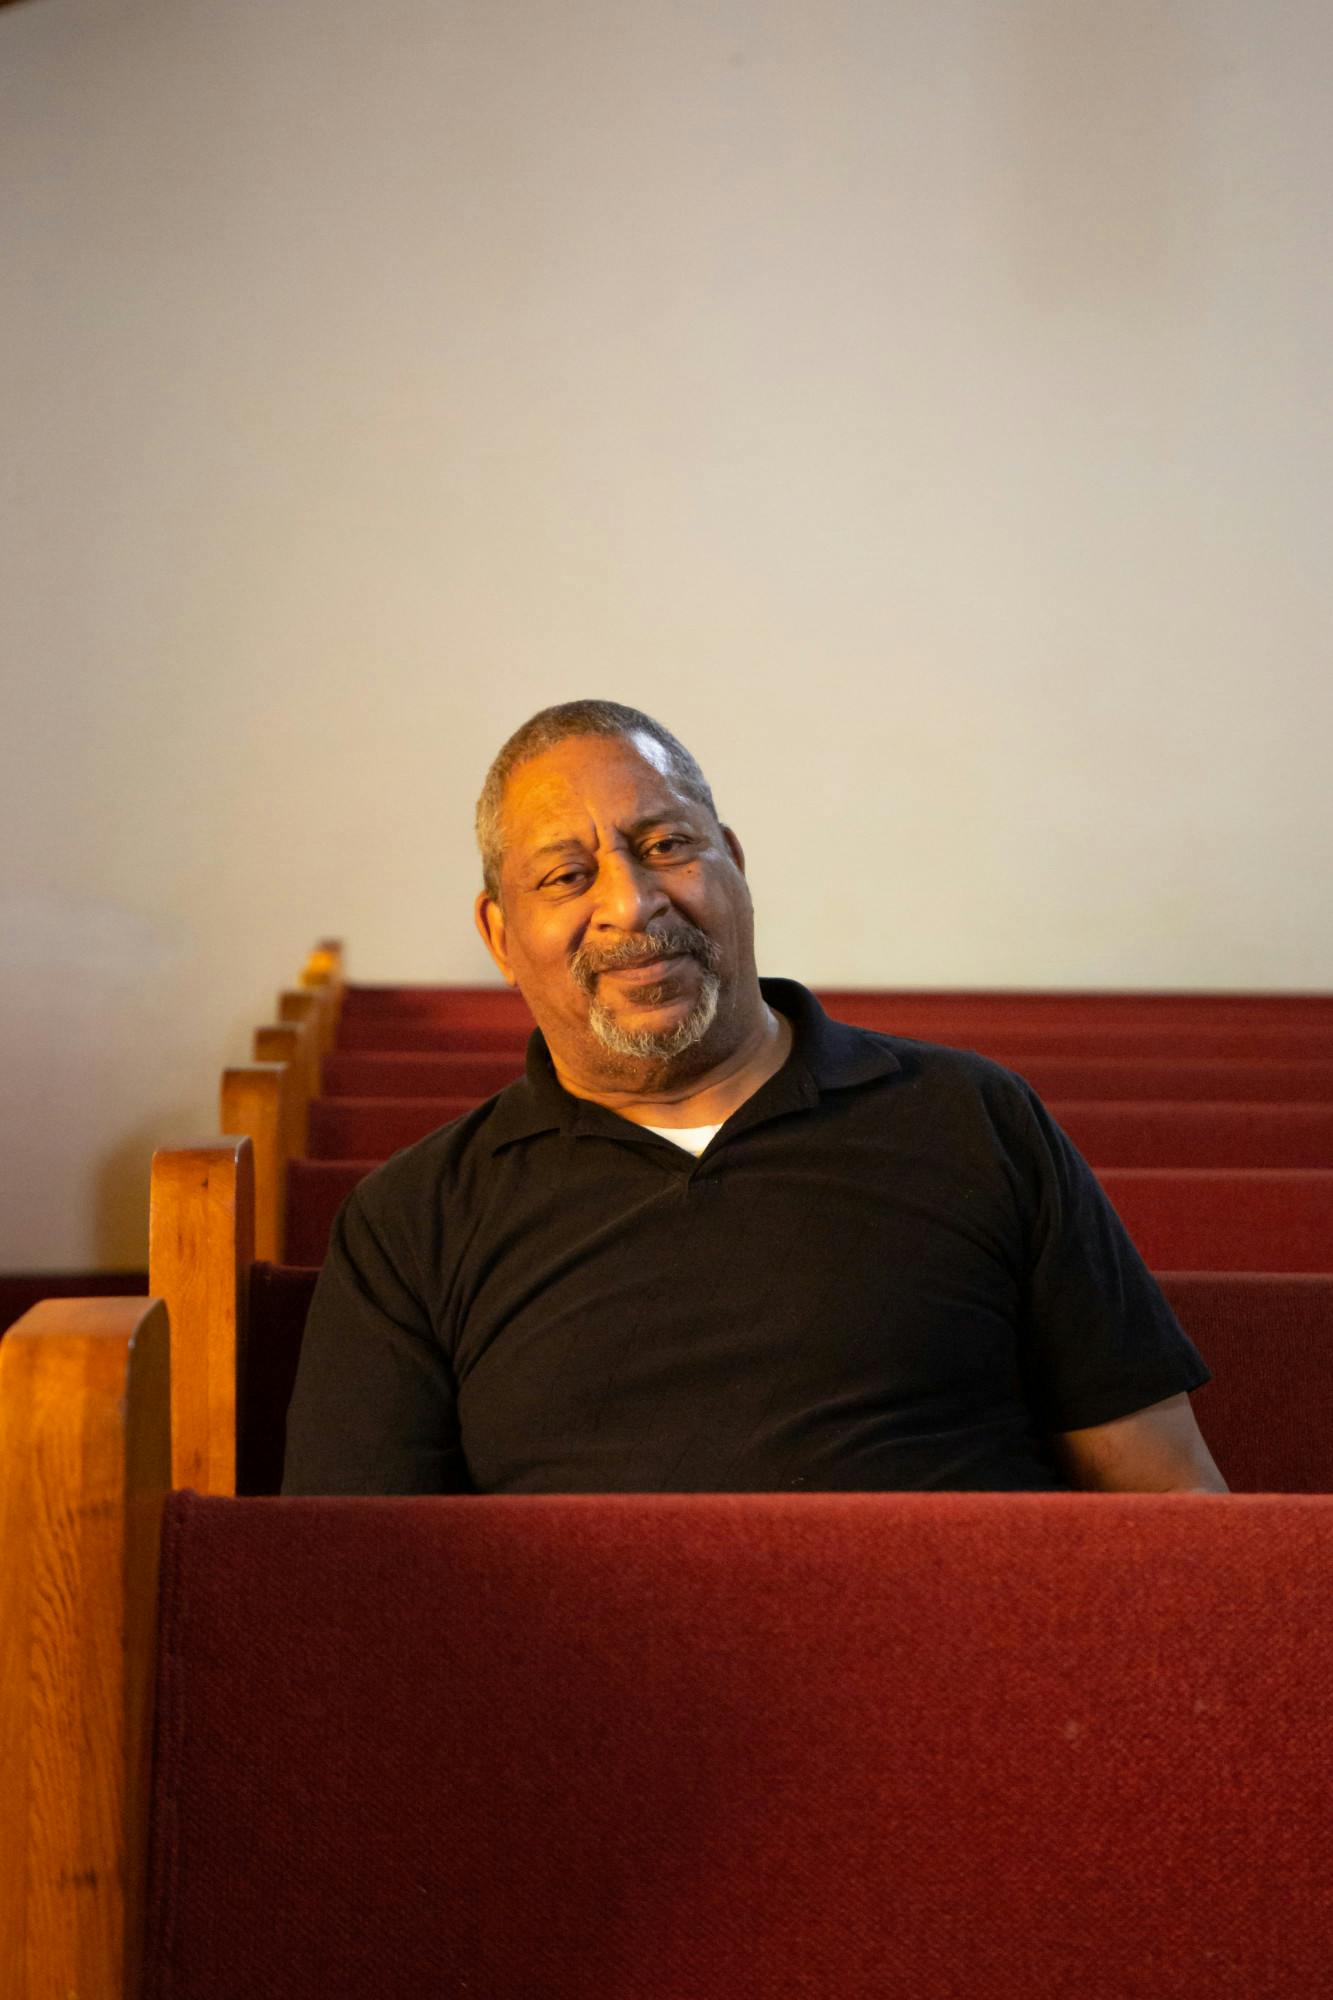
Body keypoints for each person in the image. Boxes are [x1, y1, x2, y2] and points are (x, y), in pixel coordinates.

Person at [282, 700, 1227, 1497]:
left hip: (972, 1689)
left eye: (665, 844)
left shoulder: (971, 1118)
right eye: (568, 876)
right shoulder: (412, 1220)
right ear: (500, 933)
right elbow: (360, 1589)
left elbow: (1168, 1496)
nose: (632, 902)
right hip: (589, 1713)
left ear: (731, 861)